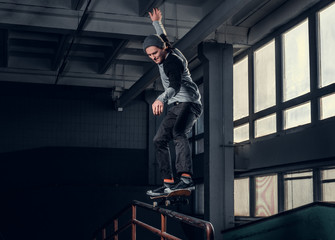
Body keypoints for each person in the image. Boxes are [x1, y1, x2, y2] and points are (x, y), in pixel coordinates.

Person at [143, 8, 202, 196]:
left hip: (190, 103)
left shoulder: (172, 62)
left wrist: (160, 98)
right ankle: (168, 183)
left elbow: (175, 85)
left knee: (178, 133)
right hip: (177, 105)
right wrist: (156, 22)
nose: (154, 57)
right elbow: (162, 37)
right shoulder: (165, 47)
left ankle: (185, 180)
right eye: (150, 55)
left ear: (163, 49)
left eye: (155, 53)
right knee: (159, 140)